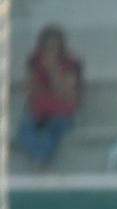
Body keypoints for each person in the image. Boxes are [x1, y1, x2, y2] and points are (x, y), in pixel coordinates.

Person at [18, 24, 83, 168]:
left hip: (63, 112)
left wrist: (53, 69)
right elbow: (30, 91)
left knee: (53, 128)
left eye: (55, 46)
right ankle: (39, 156)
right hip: (39, 111)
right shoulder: (34, 61)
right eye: (47, 46)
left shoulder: (71, 63)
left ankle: (41, 159)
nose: (51, 50)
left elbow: (67, 94)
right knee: (25, 126)